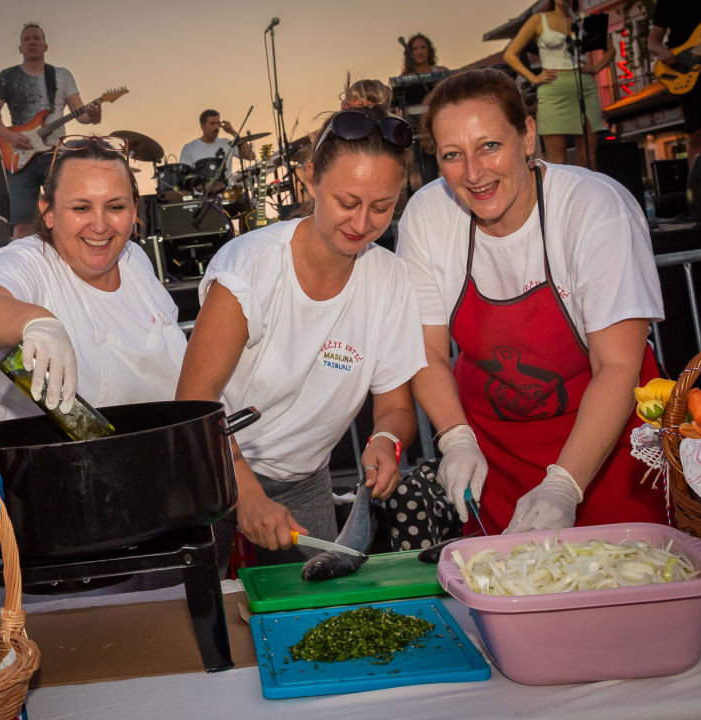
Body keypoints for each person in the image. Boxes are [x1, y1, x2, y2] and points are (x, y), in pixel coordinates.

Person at [397, 68, 667, 537]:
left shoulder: (594, 208)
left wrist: (564, 484)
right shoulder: (427, 216)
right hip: (494, 459)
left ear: (527, 135)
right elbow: (427, 350)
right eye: (452, 156)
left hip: (610, 449)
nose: (474, 174)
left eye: (489, 146)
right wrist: (456, 437)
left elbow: (618, 366)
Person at [176, 79, 426, 568]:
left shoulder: (391, 278)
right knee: (202, 619)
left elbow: (396, 405)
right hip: (213, 467)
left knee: (314, 615)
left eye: (381, 208)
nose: (361, 224)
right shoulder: (250, 267)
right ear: (311, 179)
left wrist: (385, 441)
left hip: (304, 479)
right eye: (347, 202)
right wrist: (244, 492)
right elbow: (193, 403)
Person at [0, 135, 187, 423]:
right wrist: (35, 321)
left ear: (134, 208)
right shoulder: (29, 260)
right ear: (48, 212)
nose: (100, 226)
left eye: (116, 208)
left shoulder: (134, 259)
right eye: (81, 208)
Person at [0, 23, 103, 240]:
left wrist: (95, 114)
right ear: (20, 48)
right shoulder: (7, 76)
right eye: (27, 39)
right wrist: (10, 136)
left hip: (56, 153)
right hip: (20, 156)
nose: (32, 42)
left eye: (36, 38)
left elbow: (82, 115)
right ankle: (22, 271)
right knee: (22, 224)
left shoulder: (61, 75)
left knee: (66, 216)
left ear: (45, 45)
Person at [504, 0, 615, 169]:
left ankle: (588, 194)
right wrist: (533, 78)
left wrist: (596, 68)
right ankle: (557, 195)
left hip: (584, 88)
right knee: (556, 161)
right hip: (553, 90)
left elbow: (611, 50)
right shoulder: (538, 20)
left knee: (588, 157)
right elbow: (510, 54)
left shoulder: (582, 20)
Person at [649, 0, 701, 168]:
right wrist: (662, 52)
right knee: (697, 132)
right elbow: (652, 41)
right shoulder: (666, 3)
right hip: (687, 71)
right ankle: (697, 189)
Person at [179, 110, 256, 166]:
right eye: (212, 123)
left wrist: (232, 132)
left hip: (227, 188)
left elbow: (251, 156)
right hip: (201, 188)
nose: (216, 127)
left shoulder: (227, 144)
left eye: (218, 123)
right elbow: (184, 176)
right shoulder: (189, 148)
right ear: (202, 126)